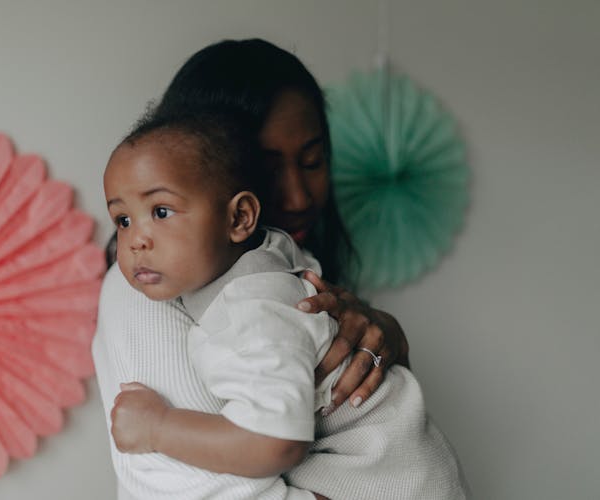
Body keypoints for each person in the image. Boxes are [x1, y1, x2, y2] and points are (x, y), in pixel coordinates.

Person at [93, 39, 417, 499]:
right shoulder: (146, 289)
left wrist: (389, 340)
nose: (300, 197)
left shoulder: (278, 271)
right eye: (267, 169)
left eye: (313, 161)